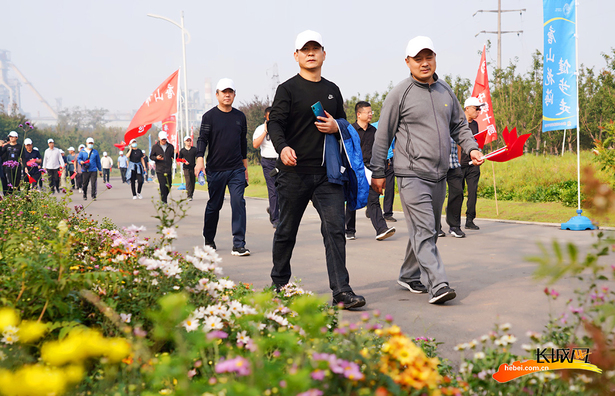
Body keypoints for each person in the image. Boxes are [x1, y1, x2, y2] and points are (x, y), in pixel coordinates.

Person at [370, 36, 484, 304]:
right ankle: (439, 284)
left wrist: (472, 148)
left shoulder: (446, 91)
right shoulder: (400, 93)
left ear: (435, 58)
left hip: (439, 175)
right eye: (417, 59)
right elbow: (382, 135)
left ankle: (409, 274)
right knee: (424, 230)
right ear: (407, 62)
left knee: (428, 230)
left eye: (428, 57)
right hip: (410, 174)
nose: (424, 63)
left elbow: (459, 126)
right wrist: (377, 172)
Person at [267, 30, 366, 309]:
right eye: (305, 49)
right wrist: (282, 147)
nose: (310, 53)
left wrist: (337, 126)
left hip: (328, 175)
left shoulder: (332, 90)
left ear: (324, 53)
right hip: (293, 173)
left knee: (335, 230)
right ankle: (280, 285)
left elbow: (345, 125)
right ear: (296, 55)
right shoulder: (287, 89)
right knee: (286, 230)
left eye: (315, 48)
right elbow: (275, 123)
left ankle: (341, 291)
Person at [194, 78, 250, 256]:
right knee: (214, 205)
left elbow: (243, 144)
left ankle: (239, 244)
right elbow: (202, 139)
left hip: (236, 169)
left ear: (234, 95)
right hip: (216, 169)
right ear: (217, 94)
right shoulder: (209, 117)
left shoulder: (239, 117)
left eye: (230, 92)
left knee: (238, 202)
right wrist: (199, 160)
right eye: (223, 92)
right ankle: (209, 239)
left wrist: (245, 168)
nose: (227, 95)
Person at [345, 101, 395, 241]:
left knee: (373, 199)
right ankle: (349, 229)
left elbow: (380, 151)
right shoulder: (350, 130)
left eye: (371, 112)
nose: (370, 115)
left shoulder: (374, 131)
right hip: (354, 170)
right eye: (368, 112)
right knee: (352, 199)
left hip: (370, 169)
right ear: (359, 114)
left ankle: (381, 229)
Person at [459, 97, 485, 231]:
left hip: (473, 165)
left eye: (480, 109)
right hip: (458, 164)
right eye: (476, 108)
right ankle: (454, 220)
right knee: (458, 193)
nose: (479, 112)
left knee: (473, 192)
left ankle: (470, 220)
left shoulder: (475, 124)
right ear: (467, 108)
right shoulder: (457, 123)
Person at [252, 106, 279, 228]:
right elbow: (255, 145)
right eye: (270, 117)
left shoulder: (280, 127)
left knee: (283, 189)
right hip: (268, 162)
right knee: (273, 189)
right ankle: (275, 219)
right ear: (265, 117)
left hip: (281, 161)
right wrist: (265, 131)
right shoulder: (260, 129)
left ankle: (273, 209)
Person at [445, 138, 465, 238]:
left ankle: (455, 226)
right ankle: (436, 226)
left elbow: (459, 145)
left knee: (458, 192)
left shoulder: (455, 122)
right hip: (437, 166)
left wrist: (459, 163)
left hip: (454, 164)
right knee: (436, 196)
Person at [150, 131, 174, 204]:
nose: (164, 141)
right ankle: (164, 201)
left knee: (169, 185)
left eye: (165, 139)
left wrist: (176, 153)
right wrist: (156, 158)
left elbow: (174, 155)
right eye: (162, 139)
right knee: (162, 185)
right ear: (159, 138)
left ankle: (163, 197)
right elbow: (151, 156)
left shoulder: (170, 146)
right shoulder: (155, 147)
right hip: (160, 169)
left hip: (168, 168)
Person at [178, 135, 197, 201]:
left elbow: (198, 156)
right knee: (188, 181)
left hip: (193, 167)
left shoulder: (194, 149)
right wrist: (184, 161)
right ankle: (189, 195)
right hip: (186, 167)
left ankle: (191, 193)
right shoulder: (182, 150)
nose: (188, 142)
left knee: (192, 181)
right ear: (184, 142)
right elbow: (179, 159)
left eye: (189, 141)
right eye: (187, 141)